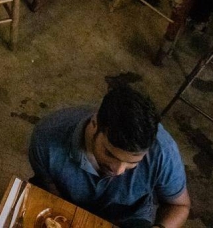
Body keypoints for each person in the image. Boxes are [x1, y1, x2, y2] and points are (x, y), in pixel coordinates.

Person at [30, 85, 190, 228]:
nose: (118, 170)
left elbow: (179, 206)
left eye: (132, 163)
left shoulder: (163, 152)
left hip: (128, 219)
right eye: (109, 153)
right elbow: (48, 186)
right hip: (67, 207)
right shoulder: (47, 138)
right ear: (95, 123)